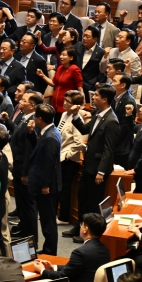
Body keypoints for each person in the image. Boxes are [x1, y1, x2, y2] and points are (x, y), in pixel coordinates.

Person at [66, 85, 118, 241]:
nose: (92, 98)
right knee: (82, 197)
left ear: (104, 99)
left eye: (95, 95)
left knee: (93, 203)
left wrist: (101, 171)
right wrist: (75, 115)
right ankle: (80, 226)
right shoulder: (97, 114)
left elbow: (109, 150)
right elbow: (84, 129)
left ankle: (89, 233)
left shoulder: (112, 121)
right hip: (88, 166)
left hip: (98, 170)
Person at [34, 213, 110, 282]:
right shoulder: (105, 249)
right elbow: (76, 268)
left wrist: (42, 271)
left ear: (85, 229)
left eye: (81, 224)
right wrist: (53, 267)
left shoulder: (80, 252)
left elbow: (62, 277)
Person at [25, 104, 62, 255]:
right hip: (45, 183)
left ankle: (50, 251)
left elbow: (49, 163)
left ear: (39, 119)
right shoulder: (48, 132)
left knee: (48, 222)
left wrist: (45, 185)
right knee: (46, 219)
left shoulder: (51, 137)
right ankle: (48, 248)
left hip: (48, 187)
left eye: (35, 116)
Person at [56, 91, 87, 227]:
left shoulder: (78, 118)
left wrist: (67, 155)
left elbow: (78, 143)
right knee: (59, 187)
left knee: (65, 188)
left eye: (68, 102)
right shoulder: (64, 114)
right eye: (65, 100)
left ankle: (64, 217)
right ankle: (57, 213)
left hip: (69, 159)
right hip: (60, 154)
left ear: (76, 105)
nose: (64, 103)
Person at [38, 46, 83, 115]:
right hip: (55, 104)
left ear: (71, 58)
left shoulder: (74, 69)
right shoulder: (59, 68)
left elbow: (80, 88)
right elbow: (53, 83)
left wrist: (82, 103)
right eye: (61, 54)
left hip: (66, 105)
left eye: (64, 55)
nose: (61, 57)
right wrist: (42, 75)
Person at [73, 26, 105, 102]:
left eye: (87, 36)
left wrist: (99, 82)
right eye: (84, 35)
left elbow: (102, 70)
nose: (84, 38)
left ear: (95, 39)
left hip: (90, 85)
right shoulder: (78, 46)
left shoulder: (101, 52)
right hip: (76, 82)